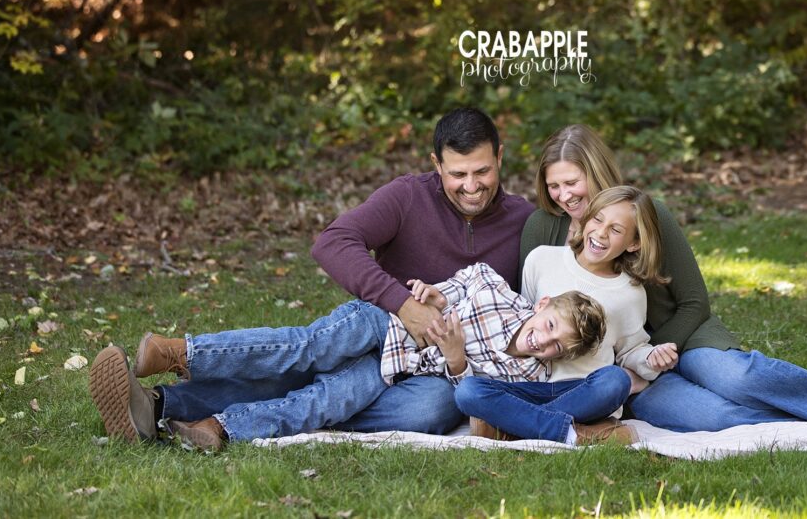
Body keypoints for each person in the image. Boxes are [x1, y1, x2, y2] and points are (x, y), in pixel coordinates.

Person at [86, 107, 535, 442]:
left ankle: (162, 406)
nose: (472, 186)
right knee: (316, 358)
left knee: (430, 410)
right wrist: (402, 303)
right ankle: (179, 360)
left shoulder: (524, 221)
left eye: (483, 171)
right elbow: (333, 243)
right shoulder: (408, 196)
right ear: (436, 164)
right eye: (458, 174)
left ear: (500, 156)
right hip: (376, 327)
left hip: (431, 369)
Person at [518, 124, 807, 433]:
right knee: (711, 414)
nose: (564, 196)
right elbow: (526, 311)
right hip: (618, 371)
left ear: (598, 173)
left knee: (730, 376)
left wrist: (652, 358)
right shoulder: (542, 232)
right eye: (554, 186)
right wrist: (629, 372)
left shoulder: (647, 215)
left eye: (572, 183)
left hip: (681, 337)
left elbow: (693, 301)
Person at [89, 263, 607, 449]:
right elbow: (456, 286)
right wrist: (432, 294)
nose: (545, 341)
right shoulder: (498, 287)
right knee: (302, 348)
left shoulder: (526, 370)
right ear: (542, 306)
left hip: (392, 370)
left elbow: (472, 393)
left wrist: (456, 358)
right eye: (550, 327)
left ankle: (212, 423)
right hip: (383, 323)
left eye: (559, 347)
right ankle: (179, 350)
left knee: (325, 402)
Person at [456, 187, 679, 444]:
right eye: (597, 219)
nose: (601, 233)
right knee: (469, 391)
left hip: (580, 391)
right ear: (586, 219)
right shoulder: (541, 259)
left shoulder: (630, 293)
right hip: (526, 384)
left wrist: (651, 359)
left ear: (634, 243)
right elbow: (524, 317)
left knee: (615, 381)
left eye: (616, 230)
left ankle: (514, 427)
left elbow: (631, 350)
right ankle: (577, 434)